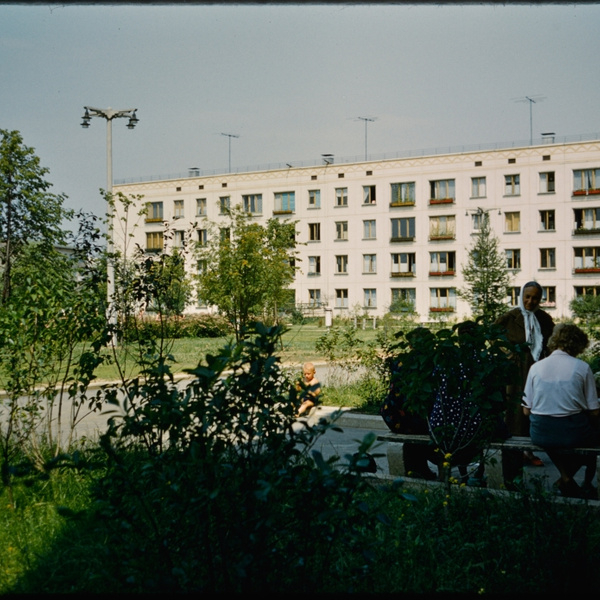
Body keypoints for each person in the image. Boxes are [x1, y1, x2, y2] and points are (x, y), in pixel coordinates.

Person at [522, 323, 600, 498]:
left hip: (541, 432)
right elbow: (594, 411)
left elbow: (526, 411)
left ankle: (565, 479)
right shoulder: (582, 367)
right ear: (578, 345)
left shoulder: (535, 368)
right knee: (592, 439)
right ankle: (569, 480)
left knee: (554, 441)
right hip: (573, 432)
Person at [495, 281, 555, 484]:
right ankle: (513, 463)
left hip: (539, 370)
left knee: (537, 409)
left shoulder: (545, 319)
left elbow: (552, 344)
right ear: (521, 296)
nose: (530, 301)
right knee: (515, 411)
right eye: (527, 296)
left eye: (535, 298)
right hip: (516, 371)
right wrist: (508, 354)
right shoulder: (510, 317)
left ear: (541, 299)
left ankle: (529, 450)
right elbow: (493, 337)